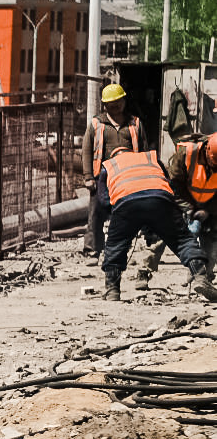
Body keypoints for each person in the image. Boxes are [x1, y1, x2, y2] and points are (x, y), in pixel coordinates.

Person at [96, 148, 217, 304]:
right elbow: (166, 182)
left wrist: (120, 219)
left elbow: (103, 200)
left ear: (114, 155)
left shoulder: (109, 165)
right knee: (183, 240)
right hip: (160, 199)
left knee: (115, 245)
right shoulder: (149, 158)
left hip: (126, 203)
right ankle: (200, 277)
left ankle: (112, 290)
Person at [133, 131, 217, 288]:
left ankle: (202, 277)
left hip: (209, 203)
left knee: (212, 240)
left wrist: (207, 210)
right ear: (207, 151)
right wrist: (188, 208)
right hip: (182, 199)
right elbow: (173, 186)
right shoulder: (187, 154)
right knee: (162, 233)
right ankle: (143, 272)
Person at [82, 84, 147, 256]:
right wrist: (88, 176)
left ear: (124, 101)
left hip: (128, 179)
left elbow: (144, 151)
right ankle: (92, 249)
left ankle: (118, 248)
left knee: (125, 214)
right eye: (111, 103)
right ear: (105, 105)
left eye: (118, 102)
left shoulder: (135, 124)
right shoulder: (96, 124)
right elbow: (87, 150)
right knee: (96, 213)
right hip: (102, 178)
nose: (115, 106)